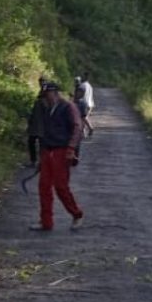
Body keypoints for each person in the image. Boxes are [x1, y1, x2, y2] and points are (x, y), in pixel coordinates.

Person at [31, 82, 85, 232]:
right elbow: (45, 134)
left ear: (53, 93)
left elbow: (77, 127)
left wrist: (71, 148)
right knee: (44, 186)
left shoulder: (68, 107)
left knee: (61, 186)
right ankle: (46, 222)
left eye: (46, 95)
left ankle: (77, 214)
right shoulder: (48, 110)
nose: (43, 99)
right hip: (48, 151)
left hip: (62, 151)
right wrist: (41, 156)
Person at [26, 76, 49, 167]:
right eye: (40, 81)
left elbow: (48, 110)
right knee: (32, 142)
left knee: (41, 144)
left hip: (42, 124)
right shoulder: (41, 93)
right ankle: (34, 161)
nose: (41, 83)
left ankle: (41, 161)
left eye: (43, 81)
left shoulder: (47, 92)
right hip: (36, 123)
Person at [77, 72, 95, 138]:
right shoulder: (90, 86)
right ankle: (83, 133)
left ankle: (90, 128)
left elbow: (80, 95)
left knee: (83, 117)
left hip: (84, 103)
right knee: (83, 118)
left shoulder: (82, 85)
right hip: (90, 104)